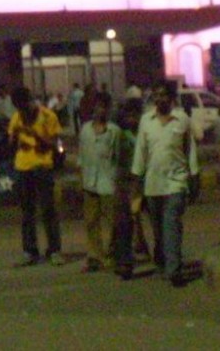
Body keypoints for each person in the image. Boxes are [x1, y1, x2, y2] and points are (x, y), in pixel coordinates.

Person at [131, 82, 199, 287]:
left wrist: (194, 178)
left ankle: (174, 270)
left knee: (171, 226)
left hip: (176, 182)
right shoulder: (146, 121)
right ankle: (162, 260)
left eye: (163, 95)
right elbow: (140, 152)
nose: (159, 99)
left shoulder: (182, 120)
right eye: (156, 95)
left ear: (171, 98)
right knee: (159, 230)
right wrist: (137, 182)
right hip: (153, 184)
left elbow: (190, 151)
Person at [8, 86, 64, 266]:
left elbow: (55, 145)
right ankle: (30, 251)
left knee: (48, 210)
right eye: (19, 108)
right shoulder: (16, 117)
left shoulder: (48, 116)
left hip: (42, 166)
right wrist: (15, 137)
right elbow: (11, 144)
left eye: (24, 106)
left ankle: (54, 250)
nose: (22, 112)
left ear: (30, 101)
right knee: (27, 212)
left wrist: (36, 136)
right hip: (22, 167)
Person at [77, 92, 121, 273]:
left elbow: (118, 158)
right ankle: (95, 256)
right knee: (91, 222)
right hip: (89, 182)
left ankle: (111, 255)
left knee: (112, 222)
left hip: (107, 183)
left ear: (108, 109)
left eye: (103, 106)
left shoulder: (114, 131)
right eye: (96, 106)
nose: (99, 110)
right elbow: (81, 156)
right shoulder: (85, 130)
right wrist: (81, 178)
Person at [114, 98, 150, 279]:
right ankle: (125, 261)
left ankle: (150, 250)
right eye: (129, 115)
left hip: (146, 181)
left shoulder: (145, 133)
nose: (132, 119)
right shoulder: (122, 135)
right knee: (126, 222)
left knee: (150, 218)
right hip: (127, 183)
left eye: (135, 115)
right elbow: (118, 162)